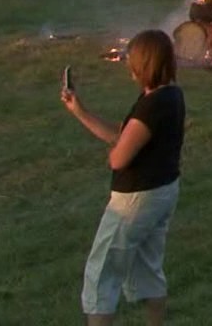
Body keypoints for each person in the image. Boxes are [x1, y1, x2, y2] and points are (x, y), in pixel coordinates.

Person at [61, 30, 185, 326]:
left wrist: (114, 155)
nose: (129, 65)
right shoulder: (170, 95)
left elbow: (118, 157)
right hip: (162, 192)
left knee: (101, 275)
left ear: (144, 64)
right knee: (147, 270)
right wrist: (80, 111)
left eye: (132, 60)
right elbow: (124, 134)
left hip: (136, 200)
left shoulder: (153, 106)